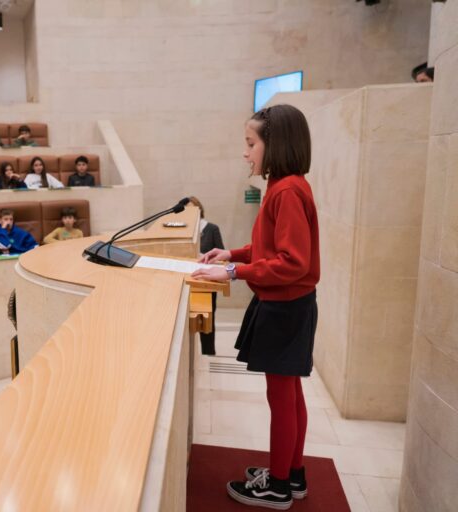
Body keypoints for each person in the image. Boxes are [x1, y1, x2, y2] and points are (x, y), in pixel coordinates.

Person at [191, 104, 319, 510]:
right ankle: (292, 474)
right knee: (289, 395)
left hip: (286, 308)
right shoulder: (286, 184)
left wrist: (233, 273)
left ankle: (278, 486)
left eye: (251, 144)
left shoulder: (287, 191)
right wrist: (230, 253)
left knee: (282, 398)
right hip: (288, 305)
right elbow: (270, 248)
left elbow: (292, 262)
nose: (246, 153)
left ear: (274, 144)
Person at [188, 196, 224, 356]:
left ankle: (209, 353)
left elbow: (222, 254)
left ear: (199, 210)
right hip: (190, 280)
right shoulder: (184, 231)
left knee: (207, 319)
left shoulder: (211, 229)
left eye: (192, 209)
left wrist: (206, 257)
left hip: (207, 280)